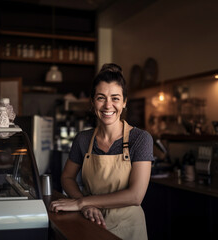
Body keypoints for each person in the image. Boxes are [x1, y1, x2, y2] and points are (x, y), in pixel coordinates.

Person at [50, 63, 154, 240]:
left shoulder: (140, 139)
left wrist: (82, 202)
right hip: (91, 224)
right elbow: (66, 177)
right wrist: (85, 206)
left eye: (115, 98)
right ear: (92, 102)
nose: (108, 105)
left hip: (129, 229)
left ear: (124, 102)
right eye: (101, 98)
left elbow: (136, 196)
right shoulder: (83, 139)